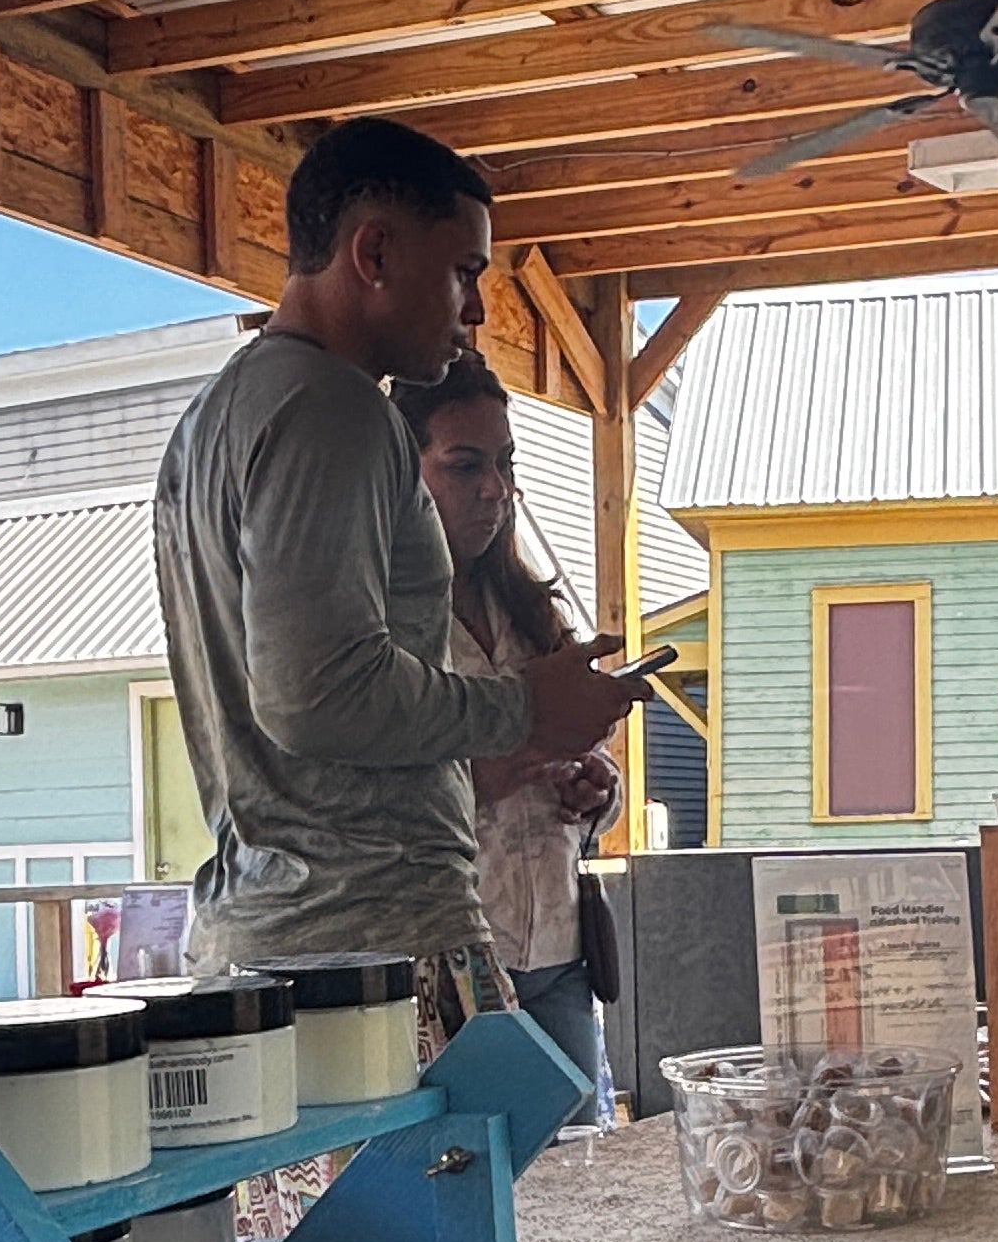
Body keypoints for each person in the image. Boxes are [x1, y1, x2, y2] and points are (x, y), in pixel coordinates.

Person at [152, 120, 647, 1032]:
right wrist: (525, 709)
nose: (477, 313)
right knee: (455, 1180)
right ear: (373, 251)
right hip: (376, 940)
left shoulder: (215, 418)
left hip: (272, 934)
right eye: (465, 273)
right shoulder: (334, 406)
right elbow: (316, 695)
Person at [394, 350, 622, 1099]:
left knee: (586, 1184)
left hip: (558, 946)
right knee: (471, 1174)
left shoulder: (532, 612)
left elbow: (584, 778)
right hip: (446, 965)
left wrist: (593, 791)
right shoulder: (382, 629)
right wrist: (482, 782)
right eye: (464, 466)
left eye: (505, 463)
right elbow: (355, 802)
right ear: (405, 472)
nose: (495, 489)